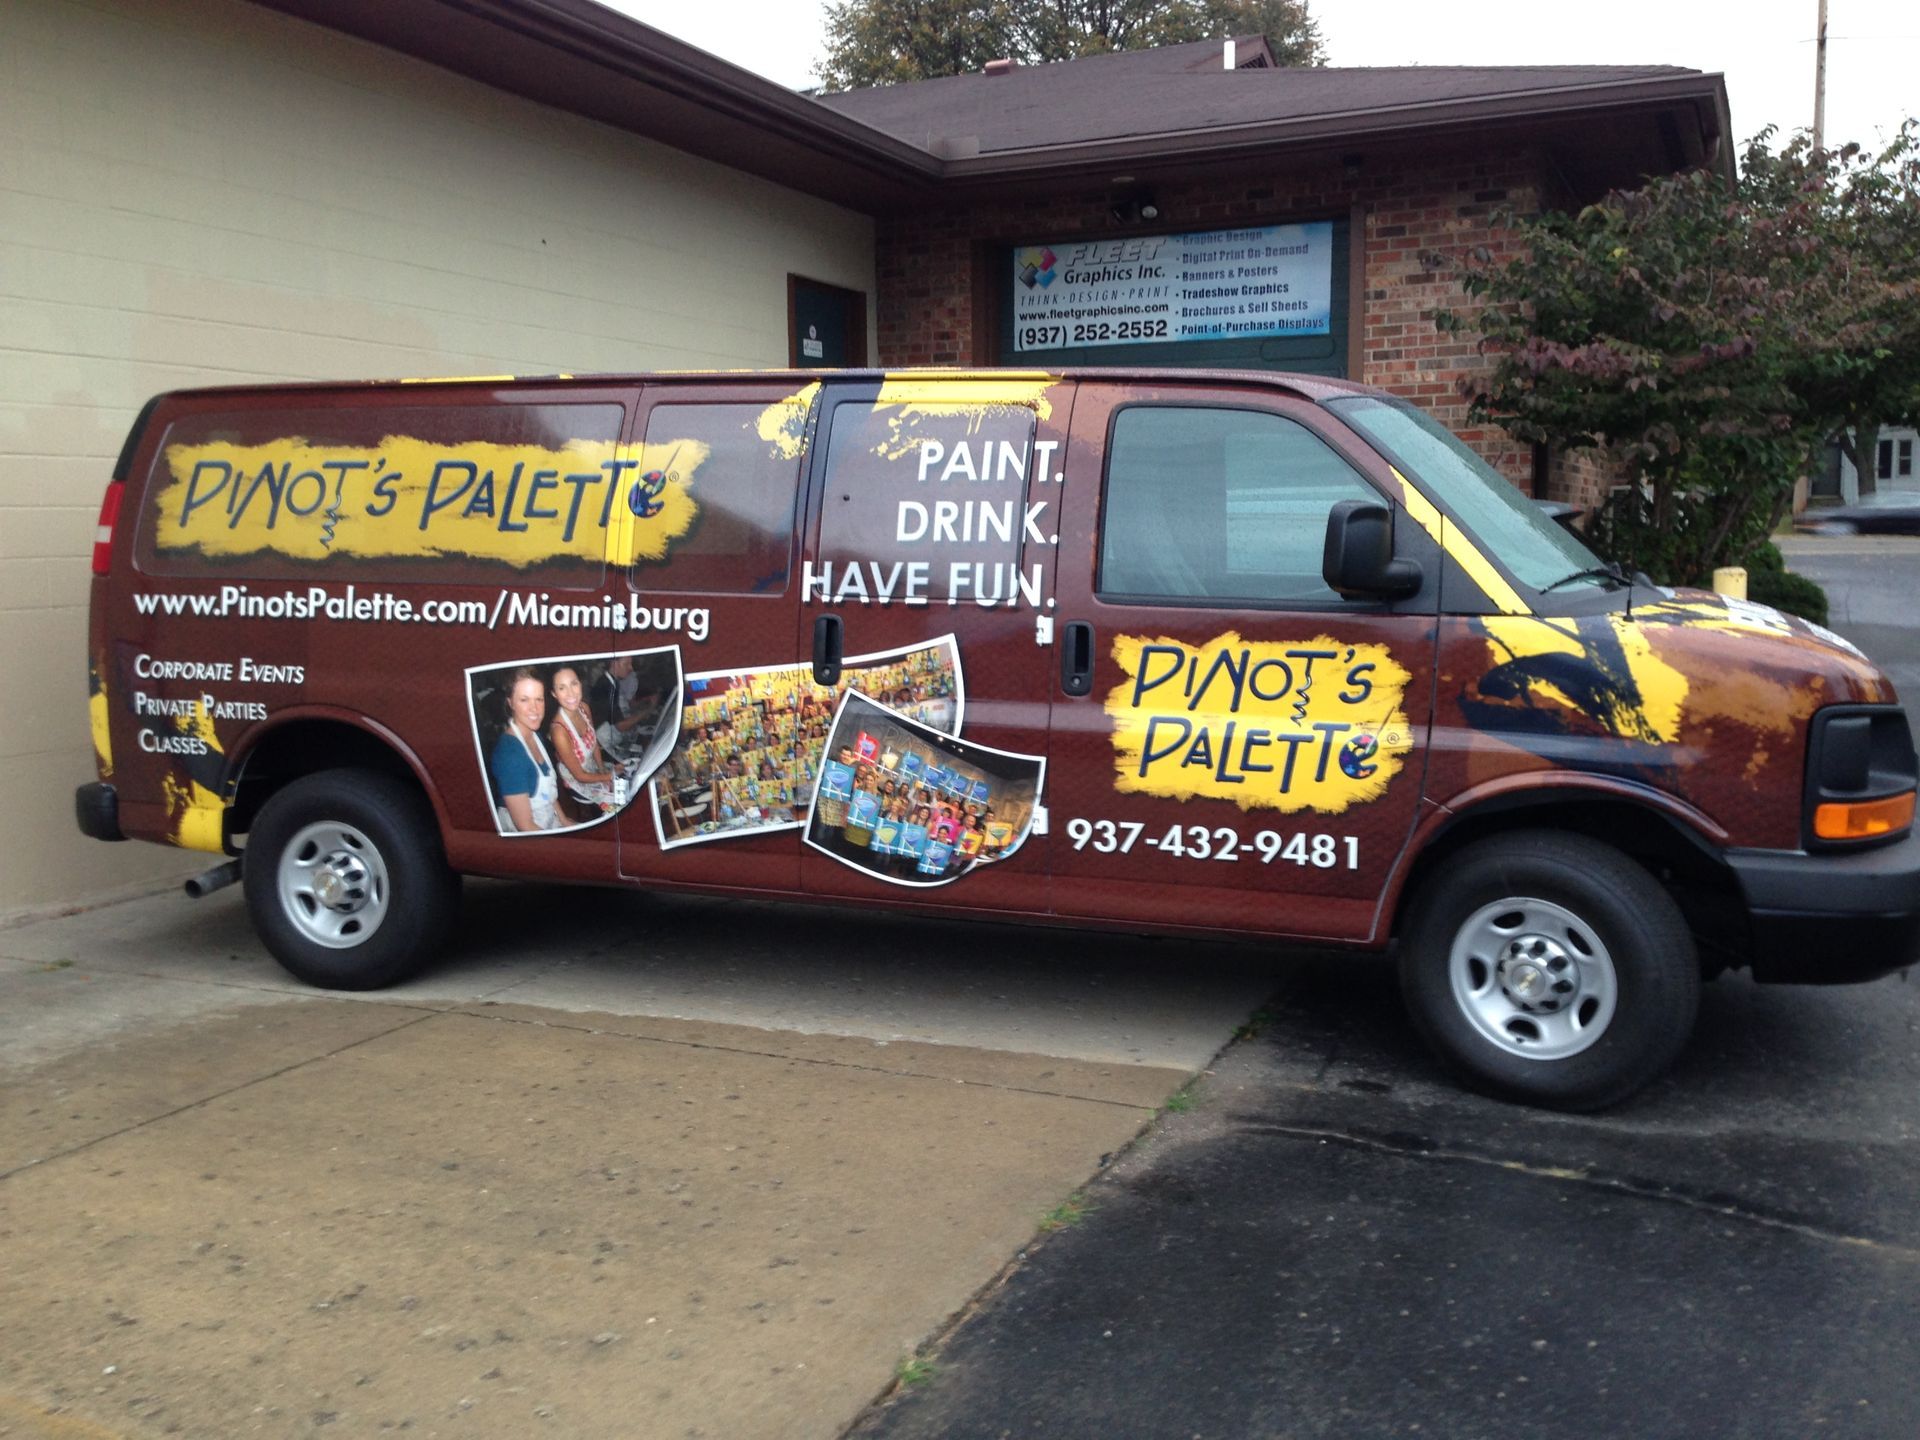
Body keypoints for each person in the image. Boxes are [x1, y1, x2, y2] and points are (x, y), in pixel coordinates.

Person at [491, 667, 560, 833]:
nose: (534, 709)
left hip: (549, 820)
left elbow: (549, 793)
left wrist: (565, 821)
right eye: (524, 700)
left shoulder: (535, 735)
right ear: (510, 703)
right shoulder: (510, 756)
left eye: (539, 699)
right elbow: (525, 826)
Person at [548, 666, 617, 810]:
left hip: (592, 766)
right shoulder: (559, 731)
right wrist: (609, 777)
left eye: (574, 684)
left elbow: (594, 743)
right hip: (577, 779)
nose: (570, 693)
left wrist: (602, 768)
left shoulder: (584, 707)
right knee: (615, 806)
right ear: (554, 694)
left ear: (581, 684)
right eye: (562, 688)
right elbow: (580, 776)